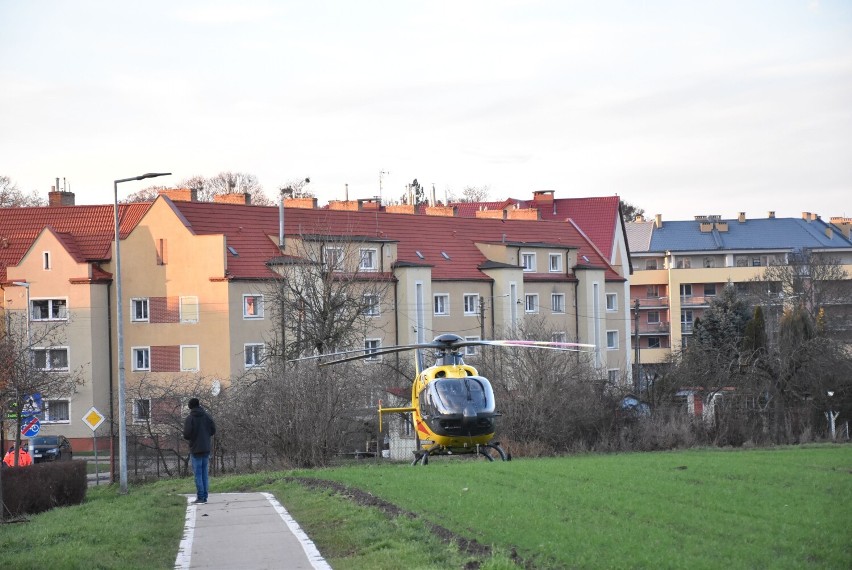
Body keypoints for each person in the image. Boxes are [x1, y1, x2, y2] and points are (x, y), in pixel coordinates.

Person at [182, 397, 216, 504]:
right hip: (206, 447)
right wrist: (206, 436)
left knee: (198, 474)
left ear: (190, 407)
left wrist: (193, 437)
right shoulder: (207, 416)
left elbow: (186, 435)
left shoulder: (190, 418)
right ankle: (205, 496)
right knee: (204, 473)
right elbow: (213, 430)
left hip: (195, 448)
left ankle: (200, 497)